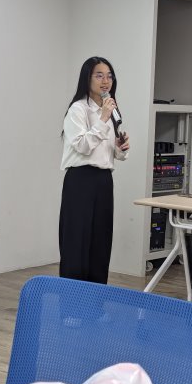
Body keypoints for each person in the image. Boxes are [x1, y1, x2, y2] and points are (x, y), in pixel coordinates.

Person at [59, 56, 130, 283]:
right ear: (87, 78)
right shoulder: (78, 109)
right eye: (99, 76)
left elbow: (105, 152)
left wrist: (119, 148)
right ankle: (72, 301)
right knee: (76, 241)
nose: (105, 81)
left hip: (103, 180)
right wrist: (103, 118)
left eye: (109, 76)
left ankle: (96, 299)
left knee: (100, 241)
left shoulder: (108, 110)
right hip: (80, 180)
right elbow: (82, 146)